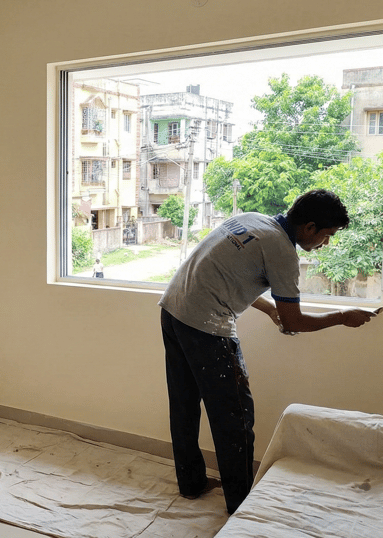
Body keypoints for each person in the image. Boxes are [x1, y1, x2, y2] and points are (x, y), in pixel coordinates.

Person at [158, 189, 375, 515]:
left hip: (173, 310)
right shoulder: (283, 252)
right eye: (327, 236)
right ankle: (241, 506)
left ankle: (191, 484)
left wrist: (271, 310)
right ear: (310, 227)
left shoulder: (252, 220)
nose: (326, 243)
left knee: (184, 405)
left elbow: (225, 274)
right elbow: (295, 321)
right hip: (205, 327)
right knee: (235, 419)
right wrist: (343, 317)